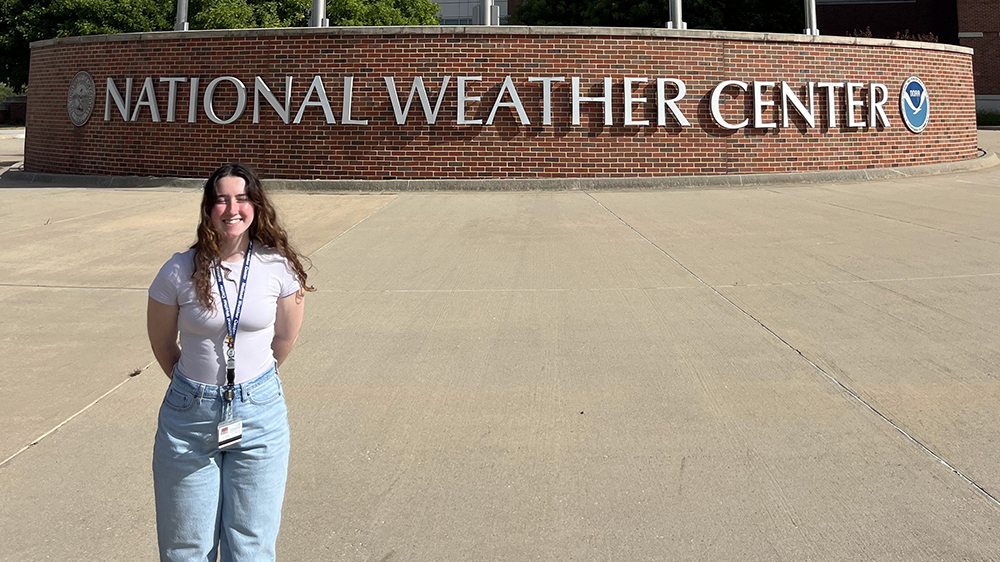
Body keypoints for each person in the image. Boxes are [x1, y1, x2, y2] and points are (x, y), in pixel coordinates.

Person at [147, 162, 312, 561]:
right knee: (187, 546)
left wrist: (248, 388)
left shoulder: (279, 267)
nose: (232, 208)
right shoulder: (178, 270)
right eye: (221, 200)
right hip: (190, 417)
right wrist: (199, 390)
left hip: (259, 412)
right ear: (208, 209)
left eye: (242, 198)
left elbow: (284, 339)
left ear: (256, 205)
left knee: (251, 545)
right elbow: (164, 345)